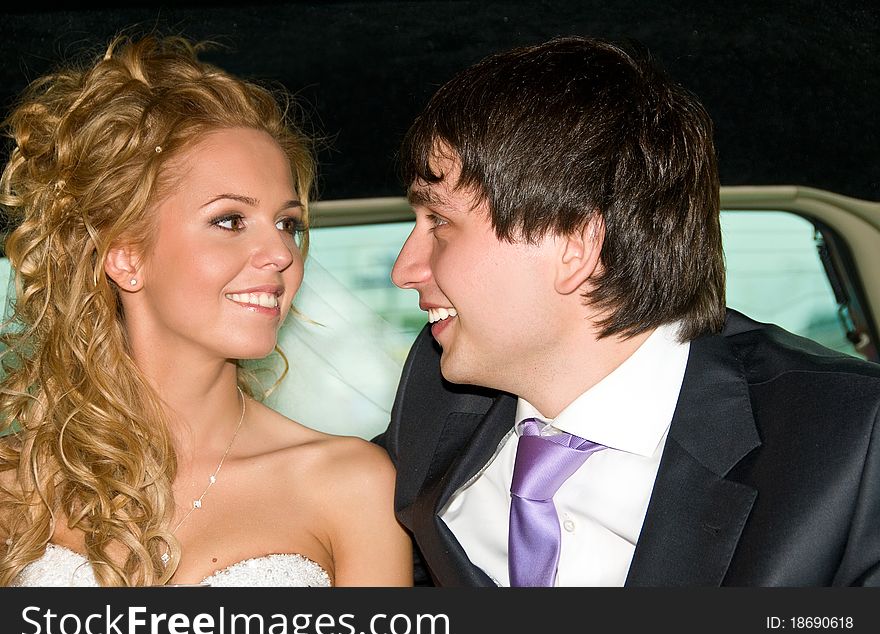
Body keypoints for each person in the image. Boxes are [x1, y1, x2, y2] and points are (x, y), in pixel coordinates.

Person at [376, 35, 880, 586]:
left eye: (440, 223)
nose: (405, 269)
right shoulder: (436, 393)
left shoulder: (853, 443)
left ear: (575, 244)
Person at [0, 33, 412, 587]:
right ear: (125, 258)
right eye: (230, 220)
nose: (281, 253)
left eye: (288, 223)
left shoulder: (350, 484)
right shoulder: (16, 481)